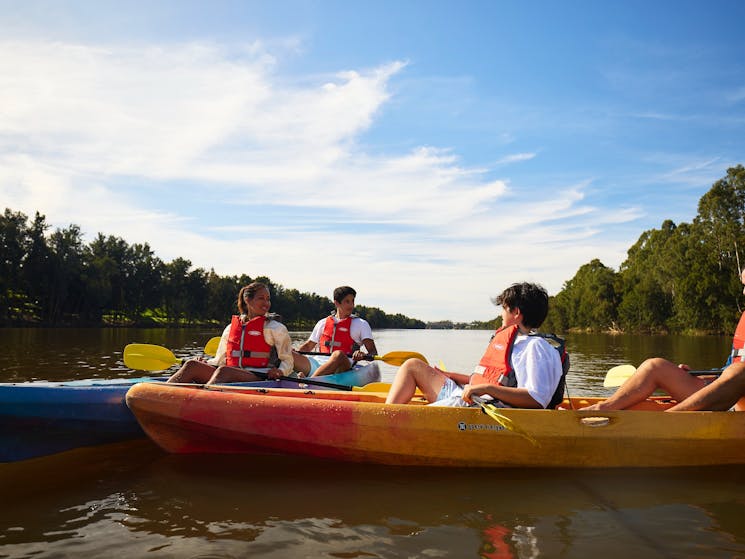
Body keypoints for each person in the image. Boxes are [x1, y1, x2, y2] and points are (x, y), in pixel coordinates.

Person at [582, 268, 745, 412]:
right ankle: (603, 408)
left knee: (740, 371)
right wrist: (704, 376)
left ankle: (670, 418)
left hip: (739, 402)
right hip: (727, 397)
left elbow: (736, 374)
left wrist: (732, 376)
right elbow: (728, 368)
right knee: (654, 366)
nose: (743, 292)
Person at [385, 282, 563, 408]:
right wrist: (450, 375)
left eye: (503, 308)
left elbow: (537, 398)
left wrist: (486, 389)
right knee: (413, 365)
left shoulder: (536, 347)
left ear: (516, 312)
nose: (501, 314)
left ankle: (385, 421)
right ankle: (388, 415)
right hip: (473, 397)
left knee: (411, 366)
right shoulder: (514, 342)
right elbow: (485, 379)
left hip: (483, 410)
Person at [167, 281, 293, 384]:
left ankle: (203, 400)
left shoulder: (276, 328)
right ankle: (162, 396)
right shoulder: (230, 328)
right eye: (261, 298)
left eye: (268, 299)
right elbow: (220, 360)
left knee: (225, 372)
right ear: (247, 300)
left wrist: (281, 371)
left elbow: (288, 360)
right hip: (229, 373)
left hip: (259, 377)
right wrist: (205, 362)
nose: (266, 303)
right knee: (192, 365)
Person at [293, 285, 378, 377]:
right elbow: (308, 346)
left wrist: (363, 355)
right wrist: (294, 352)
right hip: (317, 364)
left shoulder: (361, 324)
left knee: (338, 355)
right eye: (347, 301)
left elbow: (373, 352)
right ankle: (280, 376)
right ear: (337, 303)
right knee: (286, 353)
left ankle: (309, 381)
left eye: (352, 301)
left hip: (343, 367)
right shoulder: (322, 323)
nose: (351, 305)